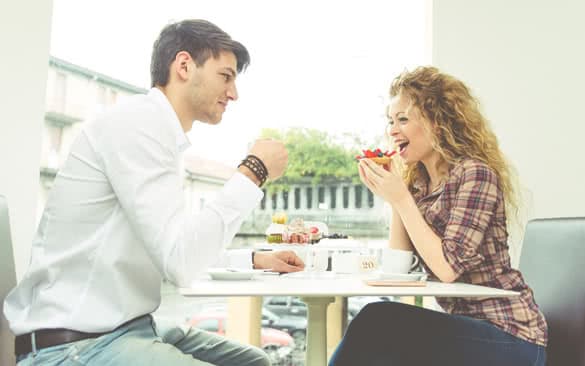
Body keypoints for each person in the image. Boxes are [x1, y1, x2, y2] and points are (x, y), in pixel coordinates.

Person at [4, 19, 304, 366]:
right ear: (184, 66)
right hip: (75, 345)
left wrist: (251, 260)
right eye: (226, 76)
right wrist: (254, 170)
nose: (234, 93)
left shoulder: (157, 134)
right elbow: (180, 261)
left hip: (125, 328)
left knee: (255, 361)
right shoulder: (137, 126)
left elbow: (169, 244)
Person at [329, 66, 547, 366]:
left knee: (377, 320)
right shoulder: (419, 185)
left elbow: (448, 269)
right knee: (378, 326)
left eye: (403, 119)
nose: (392, 130)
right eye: (390, 121)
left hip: (510, 335)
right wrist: (396, 198)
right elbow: (399, 266)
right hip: (465, 329)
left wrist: (401, 199)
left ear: (438, 122)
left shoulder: (476, 175)